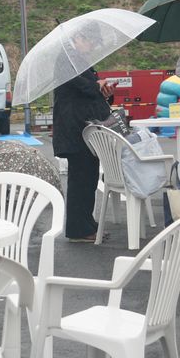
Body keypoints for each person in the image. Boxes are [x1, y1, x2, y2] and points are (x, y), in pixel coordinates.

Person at [52, 66, 114, 242]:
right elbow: (84, 87)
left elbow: (90, 90)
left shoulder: (80, 62)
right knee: (80, 180)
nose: (91, 44)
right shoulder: (66, 62)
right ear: (77, 40)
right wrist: (98, 85)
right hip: (76, 130)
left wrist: (105, 91)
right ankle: (78, 229)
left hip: (84, 128)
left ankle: (87, 223)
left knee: (89, 178)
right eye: (88, 41)